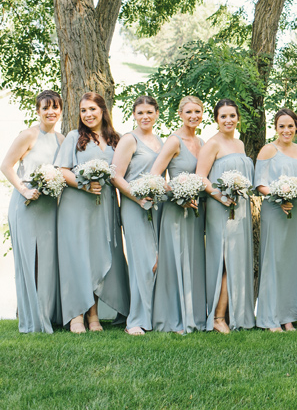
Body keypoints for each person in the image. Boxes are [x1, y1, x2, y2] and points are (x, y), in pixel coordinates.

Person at [56, 92, 130, 333]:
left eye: (92, 109)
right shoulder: (74, 137)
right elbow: (62, 170)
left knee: (98, 255)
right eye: (83, 110)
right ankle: (76, 315)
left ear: (102, 111)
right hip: (77, 204)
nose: (88, 114)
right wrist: (83, 184)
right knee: (77, 257)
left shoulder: (115, 140)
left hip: (105, 206)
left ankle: (94, 315)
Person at [0, 90, 65, 333]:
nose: (51, 112)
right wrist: (24, 190)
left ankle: (48, 315)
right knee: (31, 260)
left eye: (55, 107)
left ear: (60, 110)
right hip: (26, 204)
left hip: (49, 207)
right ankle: (32, 321)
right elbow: (6, 166)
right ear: (38, 111)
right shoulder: (28, 135)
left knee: (47, 262)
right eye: (46, 107)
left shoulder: (61, 139)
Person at [196, 99, 255, 333]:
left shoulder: (239, 144)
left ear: (238, 117)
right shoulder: (212, 144)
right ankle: (218, 317)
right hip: (220, 208)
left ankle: (234, 312)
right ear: (216, 119)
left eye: (232, 116)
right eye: (223, 116)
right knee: (224, 260)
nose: (228, 120)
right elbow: (201, 177)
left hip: (239, 209)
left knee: (237, 260)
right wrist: (220, 196)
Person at [151, 95, 207, 334]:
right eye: (189, 112)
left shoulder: (202, 142)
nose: (193, 116)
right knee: (174, 259)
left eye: (198, 111)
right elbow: (155, 175)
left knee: (193, 259)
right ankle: (172, 317)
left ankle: (193, 315)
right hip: (176, 209)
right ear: (180, 114)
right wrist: (178, 196)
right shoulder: (174, 142)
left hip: (197, 210)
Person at [255, 108, 297, 331]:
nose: (286, 130)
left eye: (290, 126)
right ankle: (272, 317)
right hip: (276, 213)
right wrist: (279, 197)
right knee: (275, 261)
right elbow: (259, 183)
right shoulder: (269, 150)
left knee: (295, 262)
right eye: (281, 126)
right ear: (276, 128)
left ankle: (291, 316)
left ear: (296, 127)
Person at [111, 96, 163, 335]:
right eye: (140, 112)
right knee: (141, 262)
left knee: (156, 262)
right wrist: (137, 197)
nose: (145, 116)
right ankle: (135, 320)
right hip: (134, 206)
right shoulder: (128, 140)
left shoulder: (160, 142)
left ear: (156, 114)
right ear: (134, 115)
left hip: (157, 206)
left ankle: (156, 315)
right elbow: (116, 176)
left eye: (149, 112)